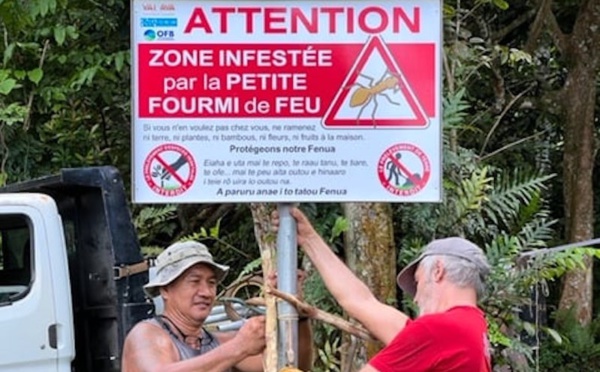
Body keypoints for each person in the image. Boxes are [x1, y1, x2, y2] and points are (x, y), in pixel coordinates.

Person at [274, 207, 492, 372]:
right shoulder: (469, 327)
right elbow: (361, 301)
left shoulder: (437, 331)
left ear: (437, 271)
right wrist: (309, 238)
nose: (415, 298)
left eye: (418, 282)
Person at [122, 240, 313, 372]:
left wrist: (299, 313)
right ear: (165, 289)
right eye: (194, 281)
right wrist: (239, 346)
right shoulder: (146, 334)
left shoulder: (219, 343)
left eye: (211, 283)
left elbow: (293, 367)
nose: (206, 292)